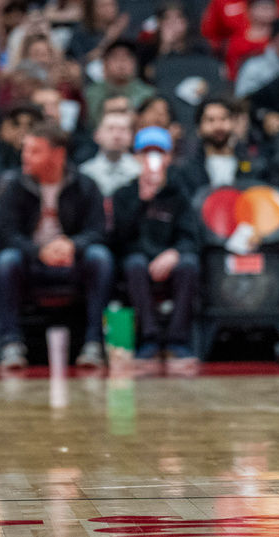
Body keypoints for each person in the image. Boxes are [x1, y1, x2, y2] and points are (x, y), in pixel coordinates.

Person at [0, 122, 113, 371]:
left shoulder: (85, 184)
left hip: (72, 261)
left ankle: (94, 343)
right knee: (6, 260)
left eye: (34, 151)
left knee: (100, 257)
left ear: (58, 154)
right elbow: (6, 234)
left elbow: (97, 231)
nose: (25, 156)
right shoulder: (14, 184)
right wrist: (39, 251)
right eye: (25, 150)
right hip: (31, 262)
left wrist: (72, 245)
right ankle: (10, 344)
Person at [110, 127, 200, 374]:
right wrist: (142, 200)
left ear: (169, 157)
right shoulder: (124, 194)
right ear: (136, 157)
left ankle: (177, 342)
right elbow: (119, 239)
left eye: (159, 152)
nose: (153, 158)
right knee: (133, 264)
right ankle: (148, 340)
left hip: (170, 257)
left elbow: (190, 236)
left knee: (189, 264)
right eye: (146, 152)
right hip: (138, 258)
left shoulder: (179, 194)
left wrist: (173, 253)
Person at [79, 110, 140, 198]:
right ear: (97, 135)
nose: (117, 136)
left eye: (123, 129)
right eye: (110, 129)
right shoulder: (85, 173)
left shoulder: (139, 173)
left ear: (131, 136)